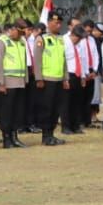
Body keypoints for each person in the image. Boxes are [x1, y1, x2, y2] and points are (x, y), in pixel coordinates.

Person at [34, 18, 69, 146]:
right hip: (47, 79)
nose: (58, 25)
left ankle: (52, 134)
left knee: (56, 108)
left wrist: (66, 78)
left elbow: (63, 60)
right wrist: (39, 78)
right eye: (56, 23)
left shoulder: (60, 39)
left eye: (60, 23)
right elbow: (37, 60)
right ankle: (46, 135)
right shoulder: (41, 39)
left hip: (59, 79)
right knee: (47, 108)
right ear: (49, 23)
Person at [0, 23, 28, 149]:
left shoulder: (21, 42)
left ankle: (15, 136)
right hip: (7, 82)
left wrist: (25, 79)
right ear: (12, 30)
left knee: (17, 111)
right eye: (19, 32)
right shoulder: (2, 42)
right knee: (7, 112)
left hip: (19, 81)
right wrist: (0, 82)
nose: (20, 35)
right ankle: (6, 138)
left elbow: (24, 61)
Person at [64, 25, 98, 136]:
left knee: (77, 102)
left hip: (78, 75)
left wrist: (83, 76)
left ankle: (76, 125)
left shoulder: (79, 44)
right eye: (78, 38)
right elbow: (62, 61)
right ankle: (67, 126)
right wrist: (65, 78)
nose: (79, 40)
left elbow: (82, 60)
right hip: (68, 74)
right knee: (67, 103)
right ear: (73, 35)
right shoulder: (64, 42)